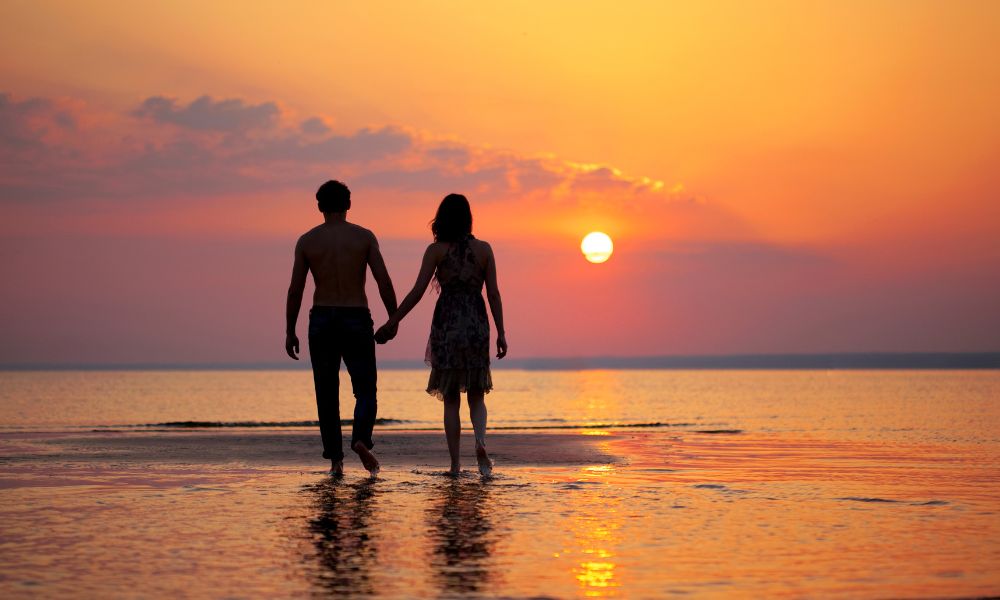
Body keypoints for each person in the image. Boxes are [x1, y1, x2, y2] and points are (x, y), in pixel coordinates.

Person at [376, 193, 507, 476]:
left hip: (447, 324)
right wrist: (501, 332)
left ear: (442, 219)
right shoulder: (484, 249)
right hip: (476, 322)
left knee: (450, 397)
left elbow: (417, 292)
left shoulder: (435, 251)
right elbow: (493, 294)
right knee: (476, 394)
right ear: (468, 218)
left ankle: (456, 465)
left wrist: (392, 321)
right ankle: (481, 443)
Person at [286, 180, 398, 477]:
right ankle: (360, 439)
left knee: (326, 391)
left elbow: (295, 290)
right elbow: (383, 281)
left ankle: (336, 461)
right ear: (348, 205)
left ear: (320, 206)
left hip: (322, 318)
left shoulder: (308, 241)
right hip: (356, 316)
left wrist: (290, 330)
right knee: (365, 389)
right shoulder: (363, 237)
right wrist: (393, 318)